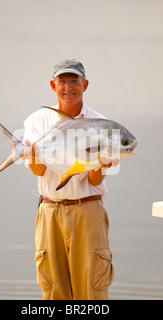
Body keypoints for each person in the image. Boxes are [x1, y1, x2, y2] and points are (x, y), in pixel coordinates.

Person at [22, 58, 115, 300]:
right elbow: (39, 171)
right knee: (53, 289)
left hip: (88, 210)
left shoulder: (102, 124)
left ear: (85, 84)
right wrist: (33, 156)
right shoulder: (37, 120)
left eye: (74, 81)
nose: (68, 88)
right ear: (53, 86)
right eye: (62, 82)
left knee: (92, 288)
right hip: (50, 210)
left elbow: (95, 180)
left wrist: (102, 162)